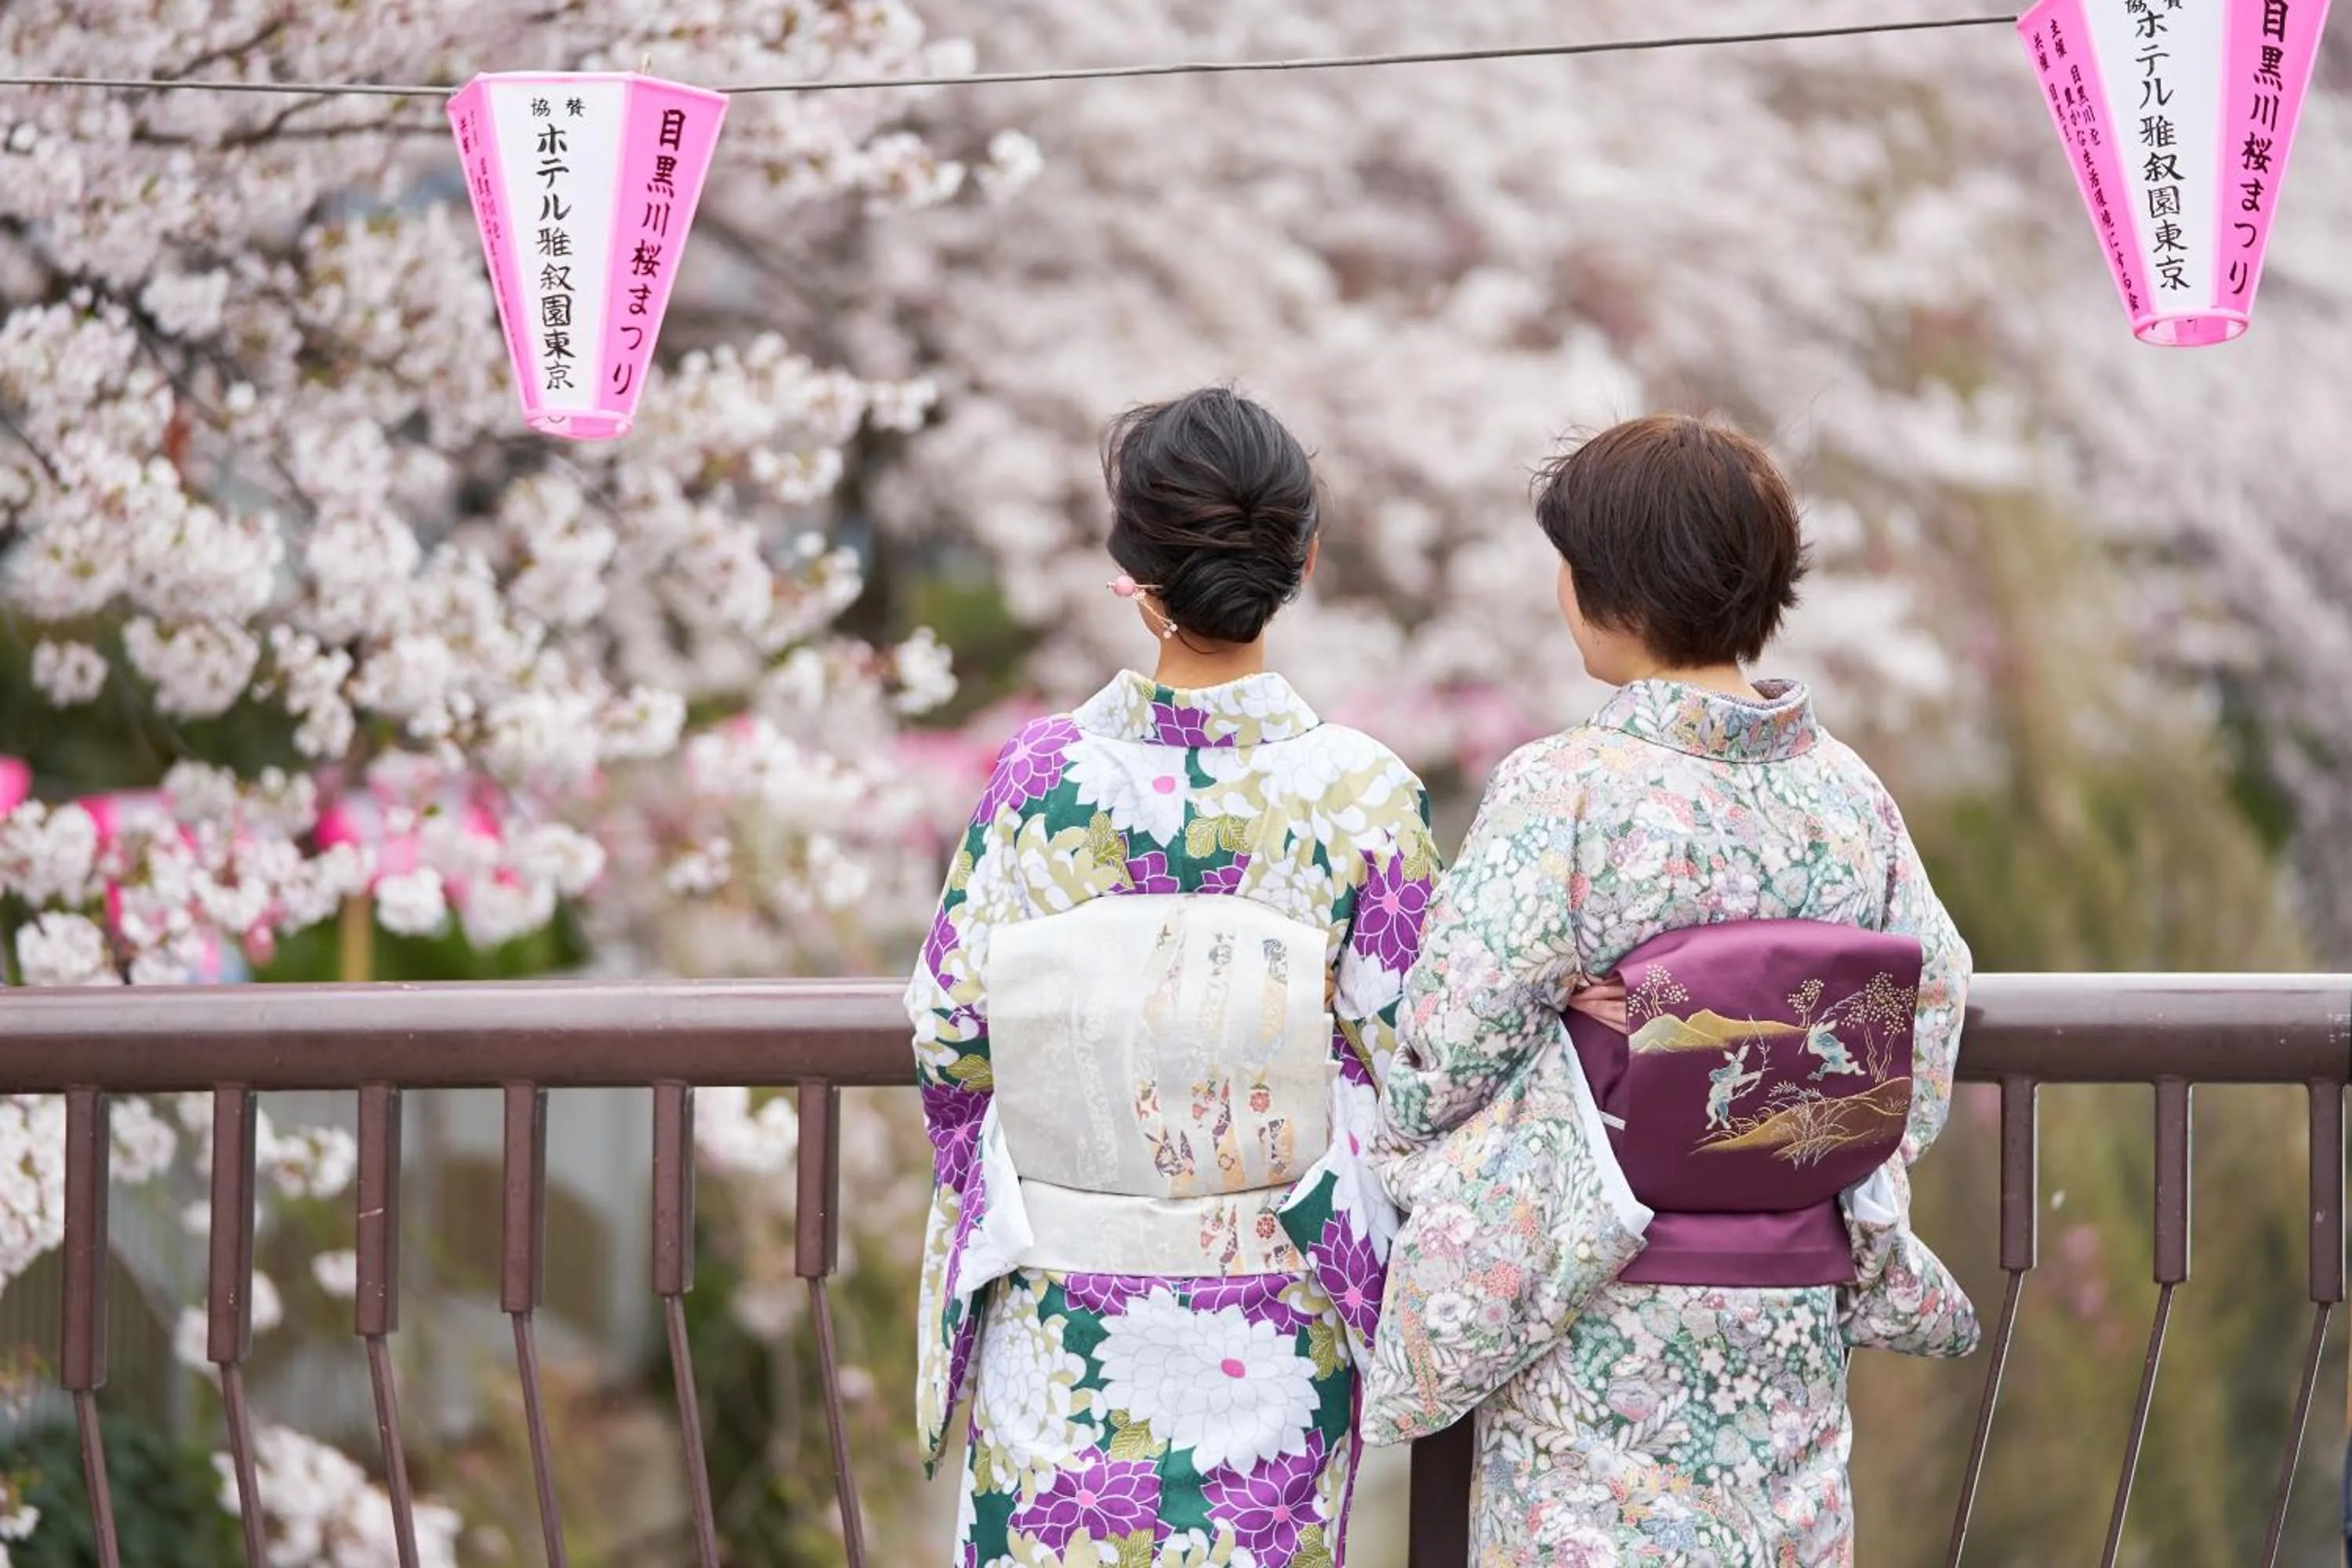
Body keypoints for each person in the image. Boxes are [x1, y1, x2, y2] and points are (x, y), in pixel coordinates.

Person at [1374, 414, 1976, 1565]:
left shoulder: (1569, 790)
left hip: (1605, 1291)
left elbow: (1442, 1053)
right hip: (1788, 1305)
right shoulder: (1850, 796)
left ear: (1613, 587)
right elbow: (1927, 1019)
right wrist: (1797, 1143)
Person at [908, 387, 1438, 1568]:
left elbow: (952, 1036)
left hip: (1058, 1334)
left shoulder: (1040, 779)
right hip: (1272, 1336)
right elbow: (1424, 1065)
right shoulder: (1360, 794)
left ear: (1128, 565)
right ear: (1303, 556)